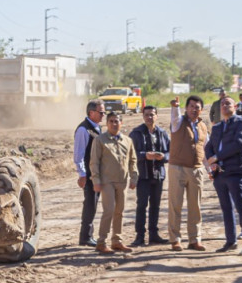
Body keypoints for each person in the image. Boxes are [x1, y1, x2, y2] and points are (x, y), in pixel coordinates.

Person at [204, 97, 242, 255]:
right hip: (220, 174)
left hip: (236, 171)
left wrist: (217, 157)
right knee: (226, 208)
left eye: (228, 104)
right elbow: (209, 146)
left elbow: (240, 144)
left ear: (235, 106)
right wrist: (212, 163)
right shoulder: (218, 126)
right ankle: (231, 241)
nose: (224, 106)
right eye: (222, 104)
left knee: (241, 207)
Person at [90, 112, 138, 255]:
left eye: (116, 121)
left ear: (121, 123)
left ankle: (117, 241)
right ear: (107, 123)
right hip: (106, 182)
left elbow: (133, 160)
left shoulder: (127, 140)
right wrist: (96, 180)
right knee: (109, 210)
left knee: (120, 211)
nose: (114, 124)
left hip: (122, 181)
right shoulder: (100, 140)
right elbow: (94, 162)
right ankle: (101, 242)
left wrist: (134, 177)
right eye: (111, 121)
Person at [168, 95, 210, 251]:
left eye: (197, 107)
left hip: (196, 169)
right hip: (177, 168)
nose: (194, 109)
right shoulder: (178, 122)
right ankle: (175, 239)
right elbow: (174, 117)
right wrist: (174, 107)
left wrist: (209, 169)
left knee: (195, 207)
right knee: (175, 205)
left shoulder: (203, 126)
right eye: (191, 106)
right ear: (186, 108)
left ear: (201, 110)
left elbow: (204, 150)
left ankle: (195, 239)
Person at [129, 105, 170, 247]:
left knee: (156, 206)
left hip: (158, 175)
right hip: (143, 175)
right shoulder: (136, 133)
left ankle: (154, 235)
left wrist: (164, 156)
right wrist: (145, 155)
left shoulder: (162, 133)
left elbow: (171, 152)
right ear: (143, 116)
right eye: (147, 115)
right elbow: (130, 153)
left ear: (157, 116)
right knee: (141, 205)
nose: (149, 117)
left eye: (152, 114)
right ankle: (140, 236)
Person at [74, 99, 106, 246]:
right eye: (101, 112)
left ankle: (88, 235)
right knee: (90, 204)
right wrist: (82, 174)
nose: (103, 115)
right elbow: (79, 155)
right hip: (89, 175)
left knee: (93, 204)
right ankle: (85, 237)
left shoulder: (96, 128)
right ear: (91, 112)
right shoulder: (83, 130)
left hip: (96, 173)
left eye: (104, 112)